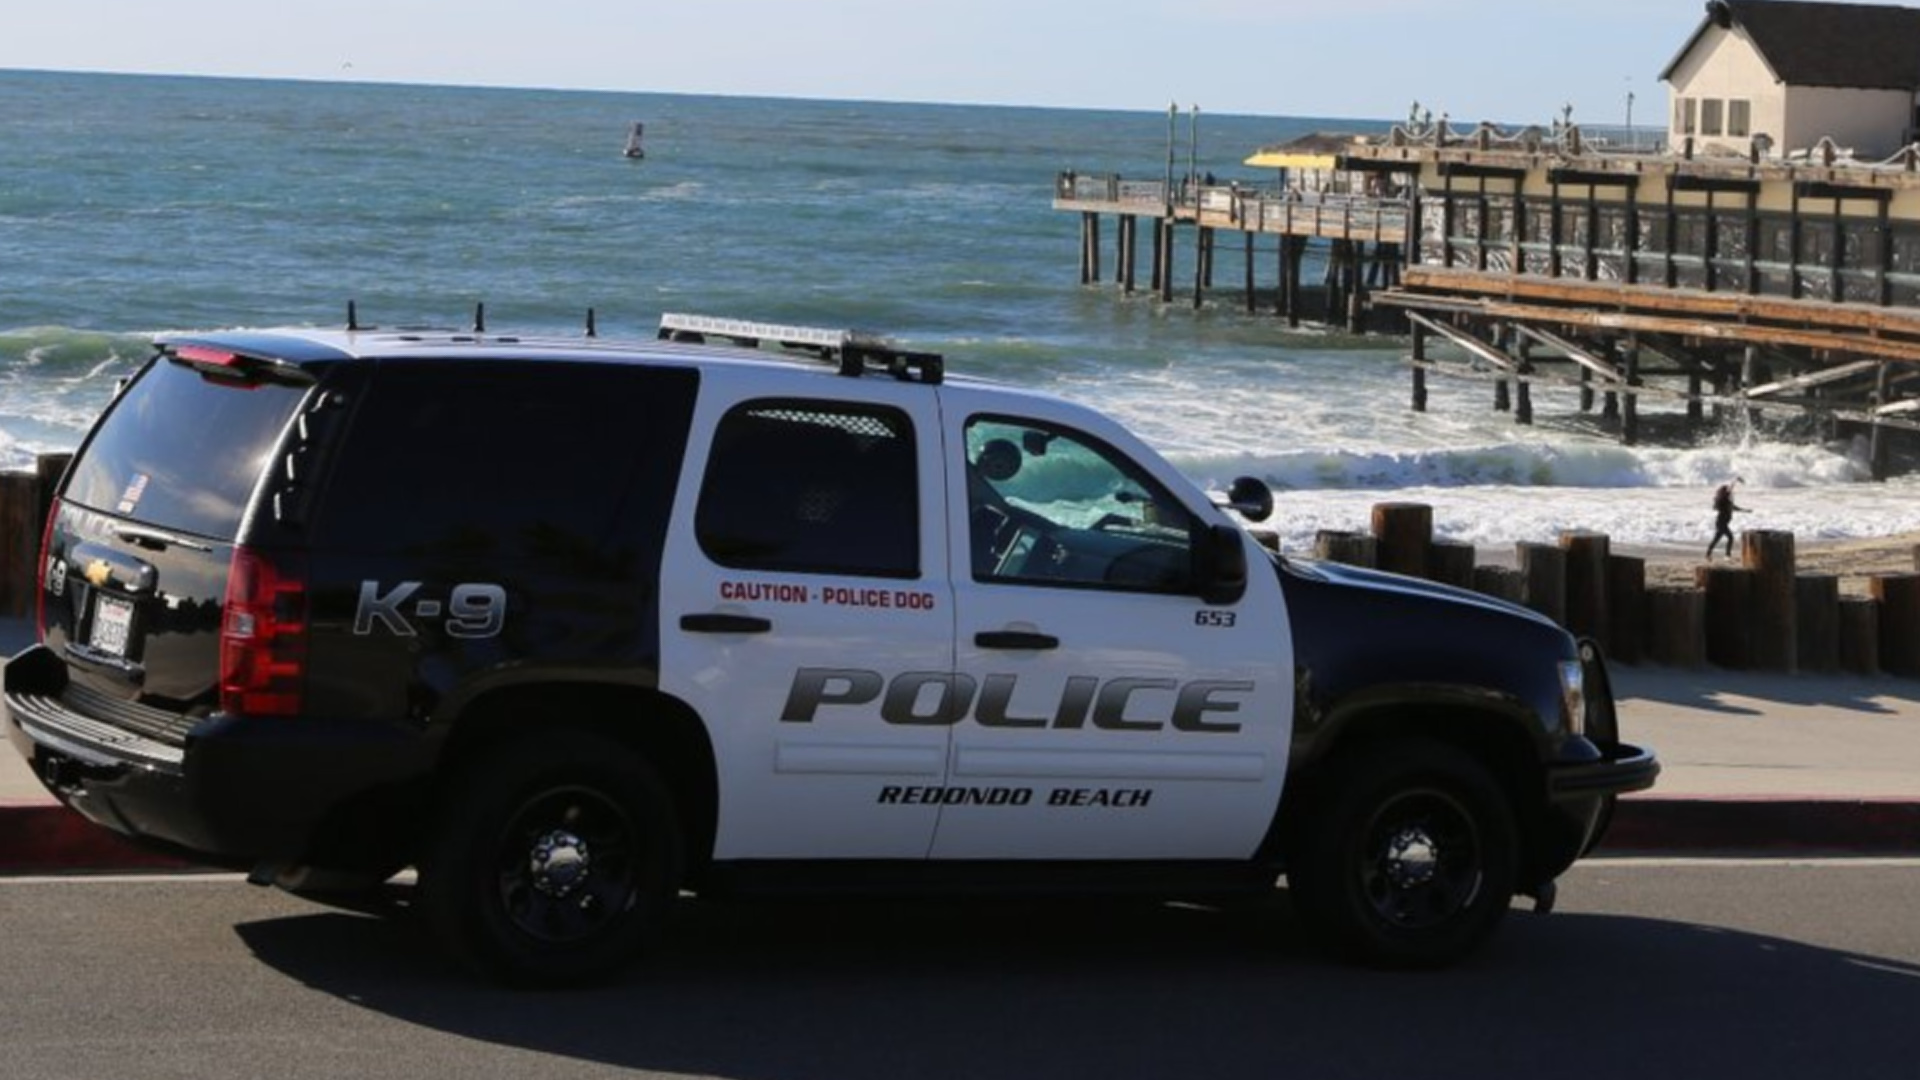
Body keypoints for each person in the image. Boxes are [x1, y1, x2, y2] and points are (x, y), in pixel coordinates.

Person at [1707, 476, 1748, 559]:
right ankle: (1727, 555)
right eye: (1728, 491)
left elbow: (1734, 508)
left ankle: (1708, 554)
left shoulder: (1728, 503)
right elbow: (1730, 488)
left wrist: (1745, 510)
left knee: (1717, 539)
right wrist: (1736, 480)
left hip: (1722, 523)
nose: (1731, 492)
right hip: (1721, 523)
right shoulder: (1724, 501)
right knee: (1730, 537)